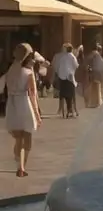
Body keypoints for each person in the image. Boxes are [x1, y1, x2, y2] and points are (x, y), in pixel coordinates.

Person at [5, 43, 42, 177]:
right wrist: (37, 114)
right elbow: (32, 94)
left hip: (12, 104)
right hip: (24, 103)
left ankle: (19, 165)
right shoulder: (28, 73)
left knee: (18, 138)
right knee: (27, 137)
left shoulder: (10, 71)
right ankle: (22, 166)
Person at [51, 43, 78, 119]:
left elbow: (56, 67)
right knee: (71, 94)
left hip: (61, 77)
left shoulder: (60, 57)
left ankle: (62, 108)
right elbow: (76, 66)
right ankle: (71, 109)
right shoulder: (72, 57)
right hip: (70, 78)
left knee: (62, 93)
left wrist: (59, 73)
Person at [84, 44, 103, 109]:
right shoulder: (98, 56)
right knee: (97, 87)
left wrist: (87, 68)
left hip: (95, 72)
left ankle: (94, 102)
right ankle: (97, 102)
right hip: (100, 72)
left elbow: (87, 61)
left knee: (94, 87)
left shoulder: (93, 54)